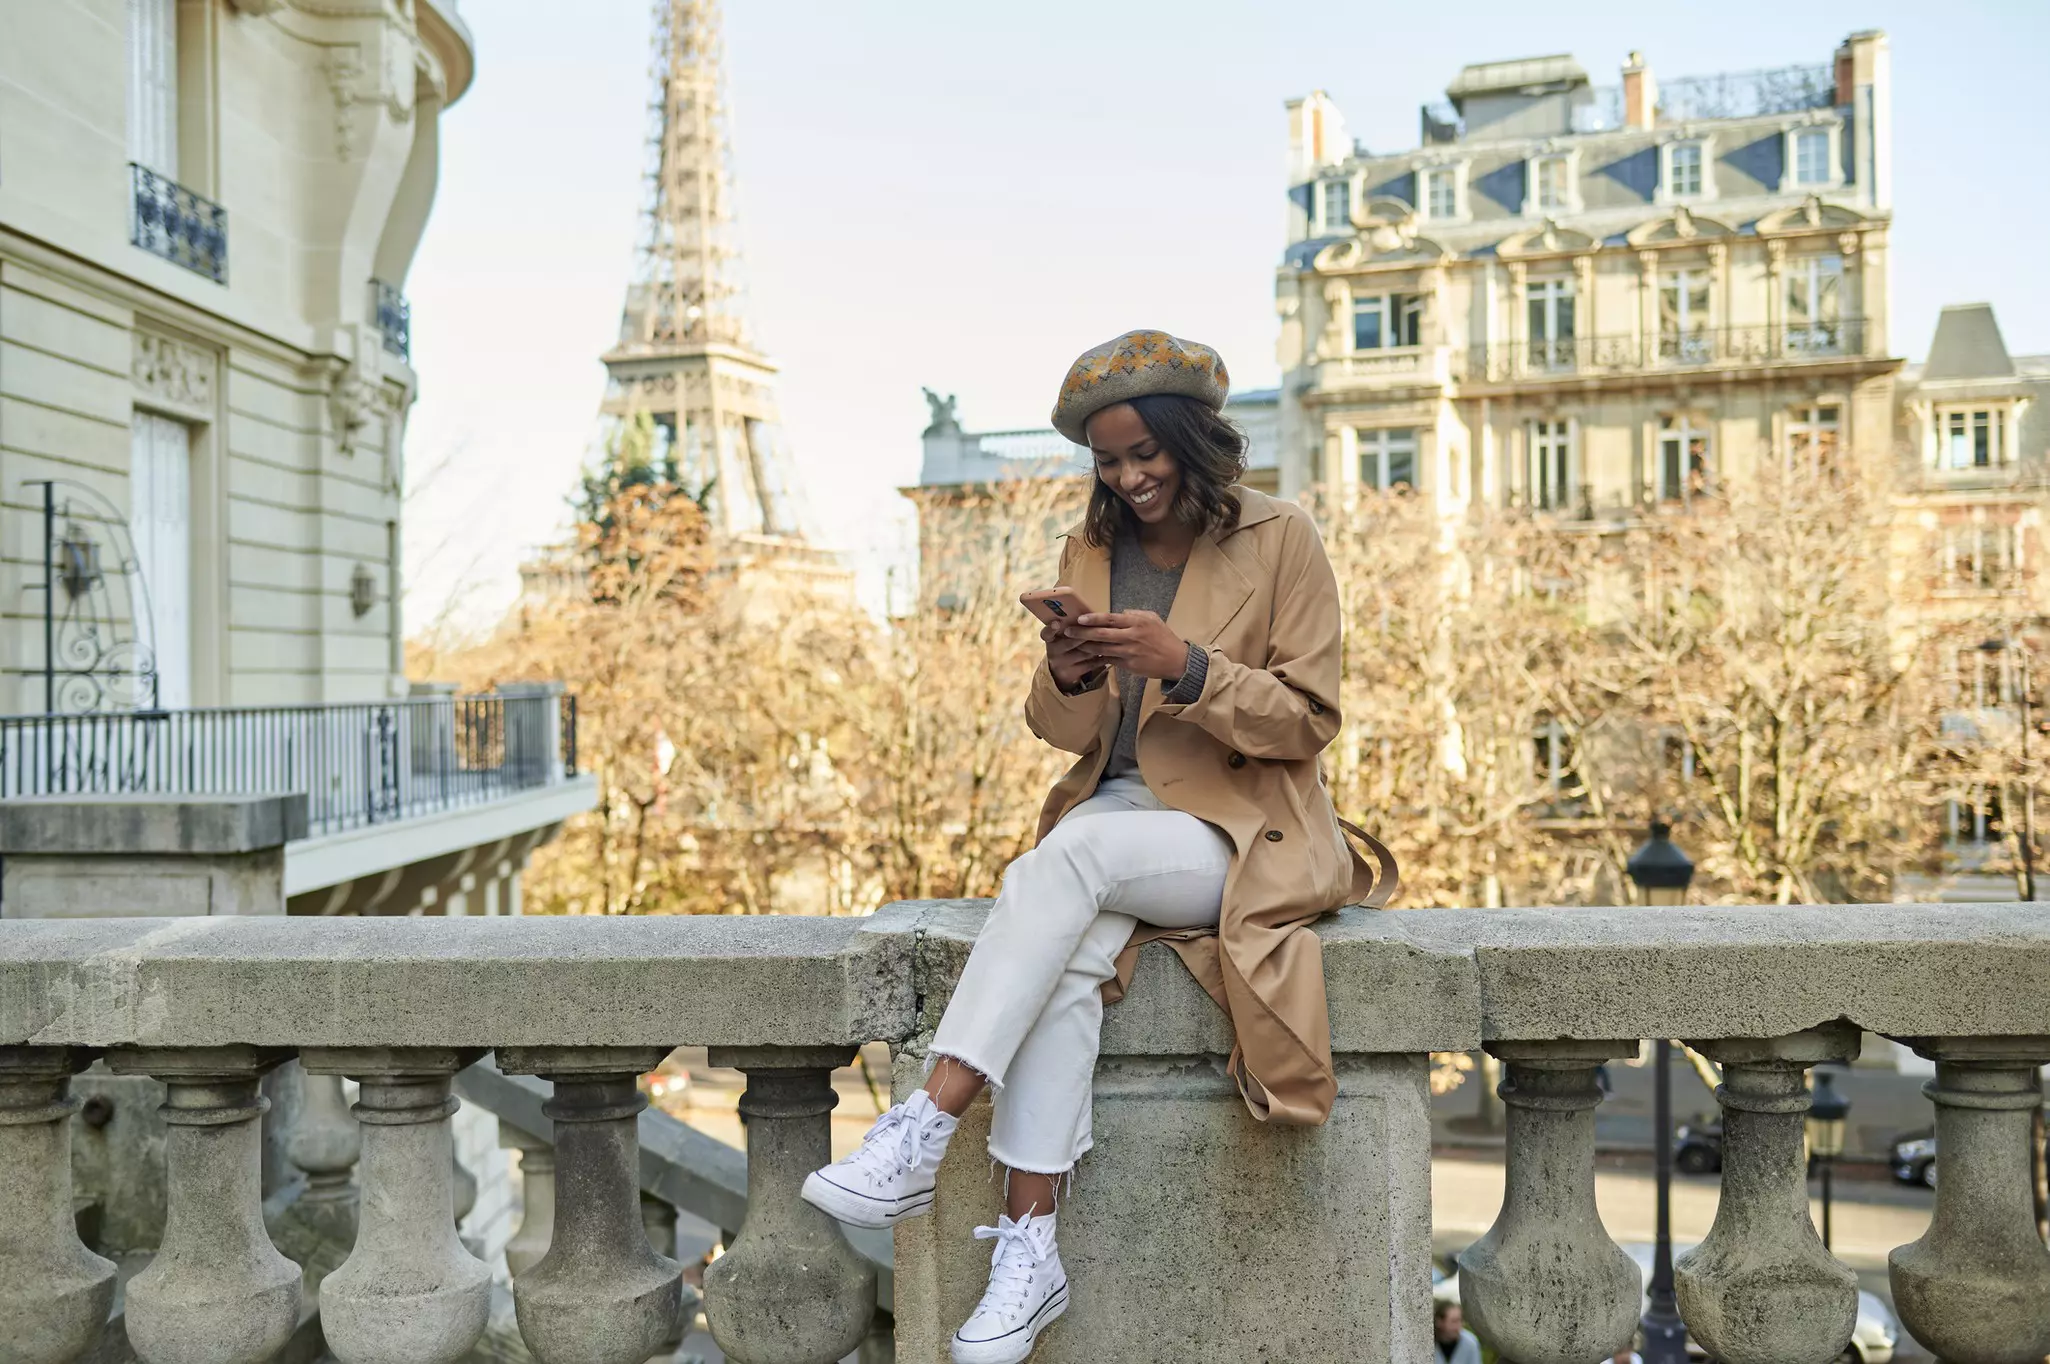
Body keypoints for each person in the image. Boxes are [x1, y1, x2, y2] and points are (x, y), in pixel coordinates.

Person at [799, 330, 1394, 1364]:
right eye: (1108, 460)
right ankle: (1029, 1251)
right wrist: (1071, 672)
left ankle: (928, 1119)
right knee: (1071, 950)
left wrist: (1190, 665)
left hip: (1238, 829)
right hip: (1115, 816)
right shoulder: (1090, 547)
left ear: (1191, 442)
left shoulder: (1283, 536)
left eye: (1143, 455)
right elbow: (1062, 734)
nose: (1127, 477)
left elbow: (1307, 720)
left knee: (1064, 862)